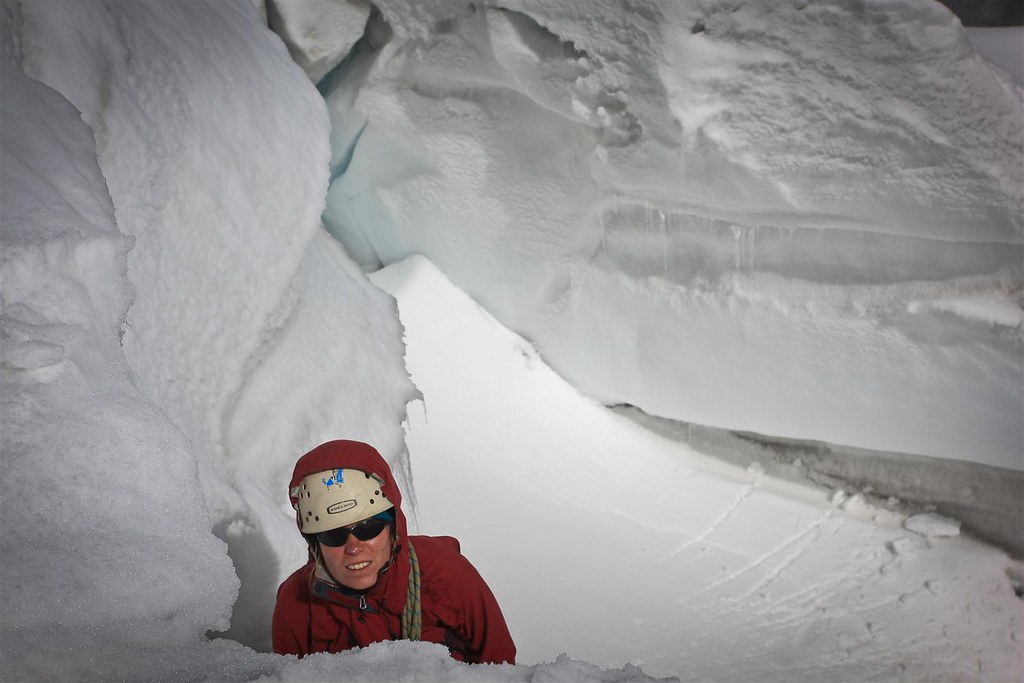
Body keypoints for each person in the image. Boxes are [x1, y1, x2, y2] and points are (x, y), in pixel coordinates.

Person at [272, 439, 516, 664]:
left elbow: (500, 665)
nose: (354, 548)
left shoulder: (442, 572)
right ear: (316, 545)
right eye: (333, 535)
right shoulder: (296, 606)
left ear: (393, 527)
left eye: (369, 527)